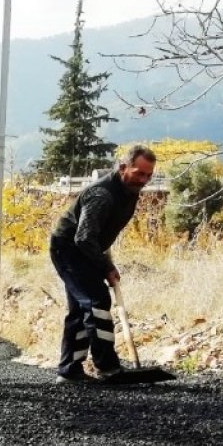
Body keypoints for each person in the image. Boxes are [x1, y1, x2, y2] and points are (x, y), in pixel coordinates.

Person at [49, 144, 157, 384]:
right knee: (97, 303)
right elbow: (84, 237)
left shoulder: (129, 191)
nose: (144, 179)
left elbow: (98, 236)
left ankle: (69, 371)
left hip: (85, 249)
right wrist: (105, 267)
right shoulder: (102, 195)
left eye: (149, 175)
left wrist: (106, 261)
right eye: (140, 173)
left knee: (80, 309)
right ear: (122, 168)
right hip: (68, 249)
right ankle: (107, 367)